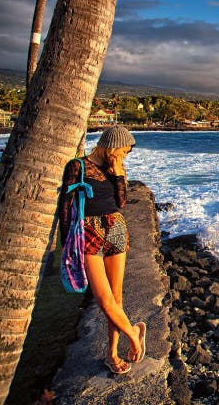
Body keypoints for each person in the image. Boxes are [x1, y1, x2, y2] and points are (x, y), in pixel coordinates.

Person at [57, 125, 145, 375]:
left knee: (116, 298)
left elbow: (121, 202)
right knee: (105, 301)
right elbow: (66, 205)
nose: (125, 156)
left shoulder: (116, 169)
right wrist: (66, 246)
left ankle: (112, 354)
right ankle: (134, 333)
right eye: (124, 152)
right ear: (112, 147)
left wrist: (118, 173)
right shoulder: (78, 167)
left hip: (115, 229)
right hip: (88, 233)